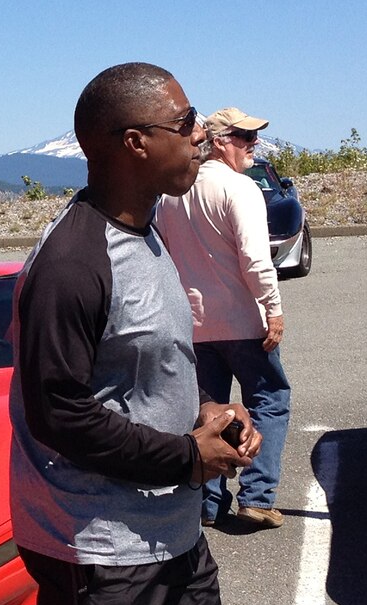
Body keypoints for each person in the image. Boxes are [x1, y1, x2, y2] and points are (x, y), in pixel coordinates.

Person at [10, 62, 261, 605]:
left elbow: (137, 375)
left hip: (169, 532)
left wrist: (209, 416)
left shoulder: (148, 230)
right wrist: (186, 455)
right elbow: (57, 413)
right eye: (184, 123)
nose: (201, 133)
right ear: (135, 143)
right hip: (98, 550)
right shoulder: (72, 263)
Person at [155, 108, 291, 529]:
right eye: (243, 136)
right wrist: (273, 307)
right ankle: (257, 495)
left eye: (253, 136)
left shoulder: (171, 193)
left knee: (208, 410)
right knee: (269, 399)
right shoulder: (240, 188)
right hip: (240, 320)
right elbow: (254, 259)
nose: (253, 143)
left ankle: (208, 503)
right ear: (218, 141)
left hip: (194, 322)